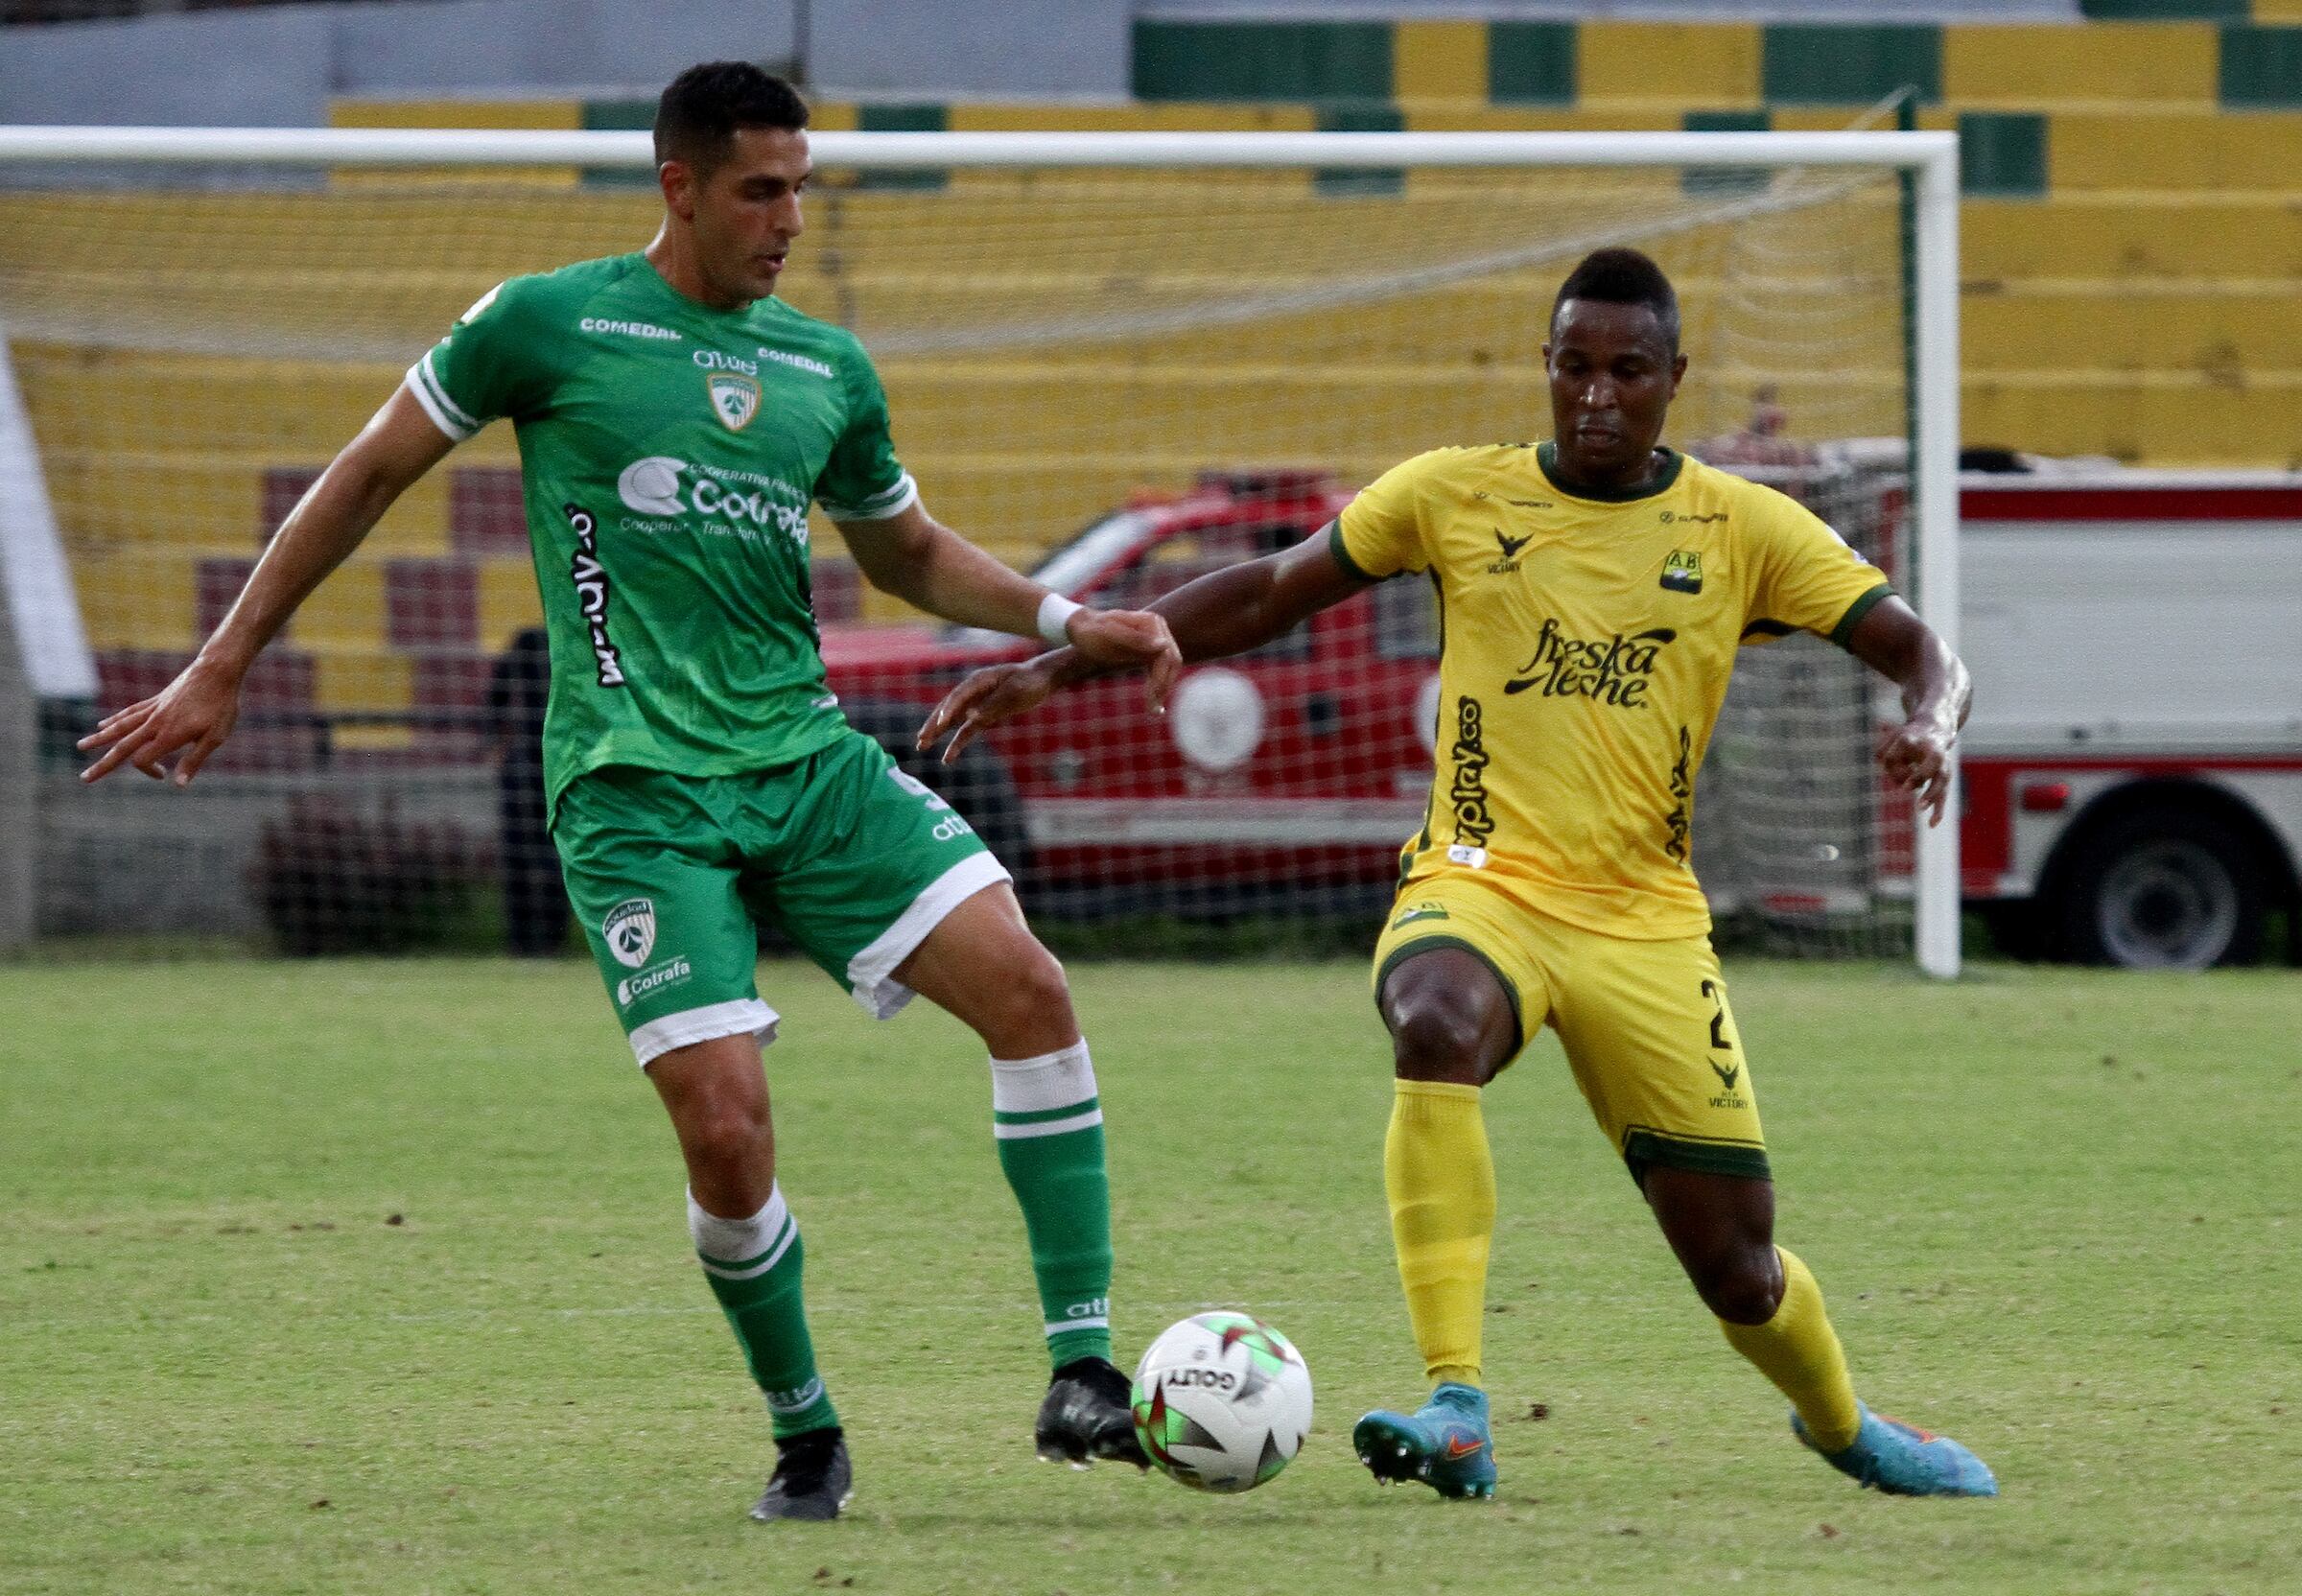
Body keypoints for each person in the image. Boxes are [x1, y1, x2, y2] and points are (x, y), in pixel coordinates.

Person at [77, 61, 1180, 1522]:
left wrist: (1063, 619)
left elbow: (904, 551)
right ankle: (805, 1431)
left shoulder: (825, 368)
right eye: (761, 191)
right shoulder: (549, 323)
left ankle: (1081, 1371)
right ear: (680, 186)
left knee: (1031, 990)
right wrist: (223, 665)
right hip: (633, 794)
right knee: (726, 1131)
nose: (790, 219)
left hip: (807, 763)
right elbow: (367, 472)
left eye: (802, 188)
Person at [920, 246, 1996, 1503]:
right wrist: (1057, 665)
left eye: (1628, 371)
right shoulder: (1455, 494)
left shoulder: (1741, 527)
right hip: (1477, 880)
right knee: (1433, 1016)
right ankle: (1459, 1404)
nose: (1597, 395)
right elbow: (1272, 589)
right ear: (1546, 367)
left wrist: (1933, 719)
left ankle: (1847, 1427)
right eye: (1575, 366)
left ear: (1673, 377)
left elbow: (1922, 649)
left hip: (1643, 922)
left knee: (1739, 1271)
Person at [482, 625, 568, 956]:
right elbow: (498, 692)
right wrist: (493, 740)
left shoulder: (579, 633)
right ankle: (523, 942)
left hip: (560, 764)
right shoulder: (533, 640)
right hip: (534, 766)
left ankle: (547, 941)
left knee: (557, 854)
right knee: (524, 853)